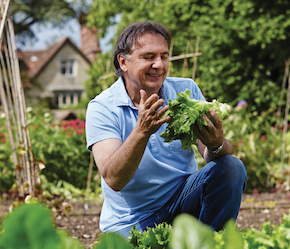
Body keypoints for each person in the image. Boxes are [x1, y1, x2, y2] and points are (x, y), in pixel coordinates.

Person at [85, 21, 247, 238]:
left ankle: (210, 243)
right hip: (133, 221)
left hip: (184, 203)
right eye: (148, 56)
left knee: (231, 167)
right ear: (123, 62)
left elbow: (212, 156)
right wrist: (141, 132)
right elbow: (114, 179)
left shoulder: (185, 90)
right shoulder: (103, 108)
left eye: (164, 56)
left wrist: (216, 144)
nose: (159, 64)